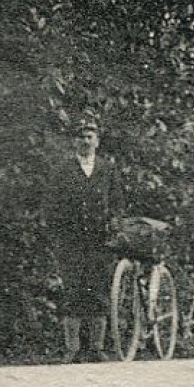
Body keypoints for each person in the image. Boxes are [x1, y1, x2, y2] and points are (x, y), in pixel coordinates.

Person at [46, 114, 121, 363]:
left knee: (98, 290)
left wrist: (114, 228)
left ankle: (97, 348)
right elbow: (52, 207)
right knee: (73, 290)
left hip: (101, 242)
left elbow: (117, 204)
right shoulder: (63, 171)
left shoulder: (107, 170)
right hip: (71, 241)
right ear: (74, 142)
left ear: (97, 141)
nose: (85, 142)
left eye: (90, 137)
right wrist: (59, 237)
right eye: (81, 137)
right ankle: (72, 349)